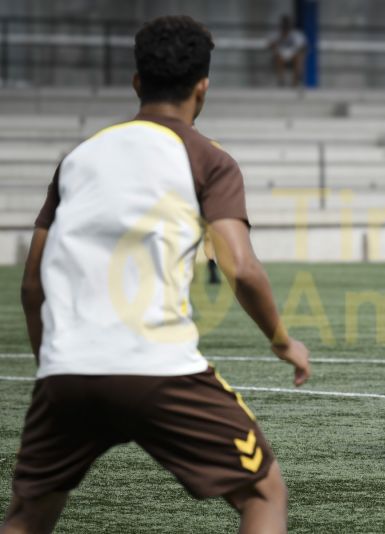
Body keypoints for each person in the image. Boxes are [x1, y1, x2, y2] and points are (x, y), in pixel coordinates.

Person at [2, 16, 310, 534]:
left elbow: (32, 285)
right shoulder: (209, 159)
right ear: (203, 88)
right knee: (263, 492)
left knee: (28, 517)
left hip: (65, 372)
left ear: (137, 82)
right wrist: (281, 340)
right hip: (158, 369)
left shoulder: (78, 158)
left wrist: (53, 367)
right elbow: (241, 267)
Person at [267, 15, 306, 87]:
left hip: (292, 56)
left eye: (287, 25)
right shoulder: (276, 34)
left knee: (298, 57)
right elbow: (269, 45)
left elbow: (303, 46)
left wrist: (300, 50)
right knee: (279, 57)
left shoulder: (296, 34)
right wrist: (276, 42)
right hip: (279, 56)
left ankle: (295, 82)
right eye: (284, 25)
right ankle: (281, 81)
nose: (285, 27)